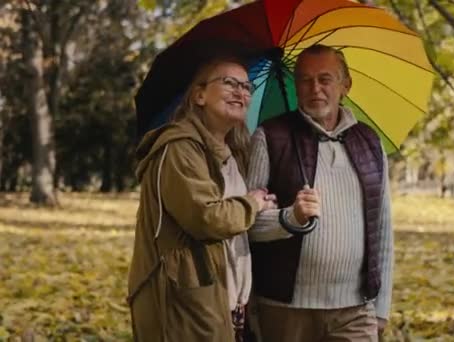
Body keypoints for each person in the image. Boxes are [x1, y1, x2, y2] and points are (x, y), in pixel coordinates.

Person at [247, 44, 394, 341]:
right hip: (284, 309)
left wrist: (381, 308)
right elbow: (245, 225)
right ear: (296, 86)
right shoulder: (270, 136)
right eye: (305, 79)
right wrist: (291, 218)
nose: (315, 88)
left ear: (345, 85)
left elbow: (383, 229)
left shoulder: (369, 141)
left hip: (355, 310)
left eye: (325, 79)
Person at [127, 55, 277, 342]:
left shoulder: (230, 153)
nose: (240, 92)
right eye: (229, 83)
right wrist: (253, 203)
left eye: (247, 87)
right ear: (199, 95)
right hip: (183, 304)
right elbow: (207, 218)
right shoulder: (180, 149)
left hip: (225, 301)